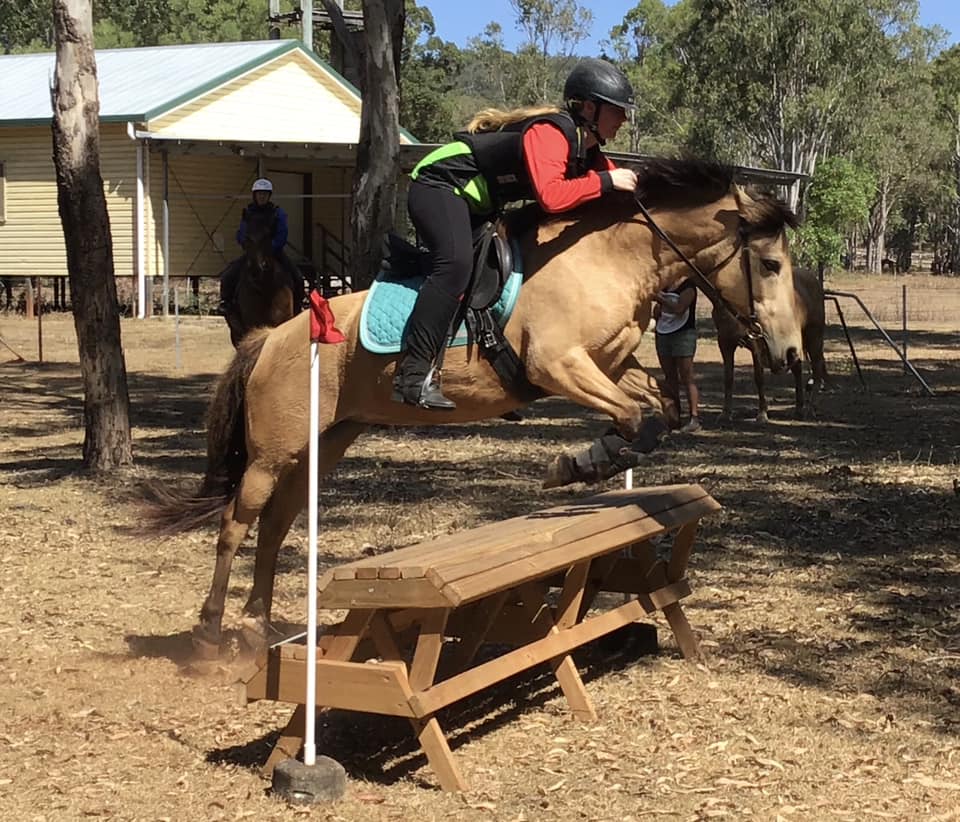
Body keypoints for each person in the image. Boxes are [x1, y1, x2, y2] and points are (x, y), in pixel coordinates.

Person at [392, 58, 639, 410]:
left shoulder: (589, 153)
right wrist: (605, 181)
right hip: (439, 185)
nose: (624, 120)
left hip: (478, 204)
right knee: (456, 266)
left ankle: (490, 373)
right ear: (589, 108)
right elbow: (553, 197)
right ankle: (412, 377)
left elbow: (616, 190)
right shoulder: (550, 134)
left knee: (495, 272)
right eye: (618, 111)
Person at [219, 178, 304, 312]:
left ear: (269, 196)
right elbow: (241, 233)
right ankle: (226, 302)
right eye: (259, 193)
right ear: (255, 195)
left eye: (264, 194)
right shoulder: (248, 213)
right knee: (227, 275)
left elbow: (282, 234)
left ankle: (298, 305)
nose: (262, 196)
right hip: (252, 252)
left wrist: (270, 247)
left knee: (297, 276)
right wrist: (248, 245)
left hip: (274, 253)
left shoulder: (277, 213)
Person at [653, 280, 702, 433]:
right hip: (663, 333)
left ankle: (694, 417)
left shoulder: (689, 287)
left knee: (687, 376)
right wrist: (657, 309)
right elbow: (658, 311)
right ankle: (675, 416)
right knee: (670, 377)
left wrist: (659, 298)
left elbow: (680, 308)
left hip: (683, 335)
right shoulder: (665, 286)